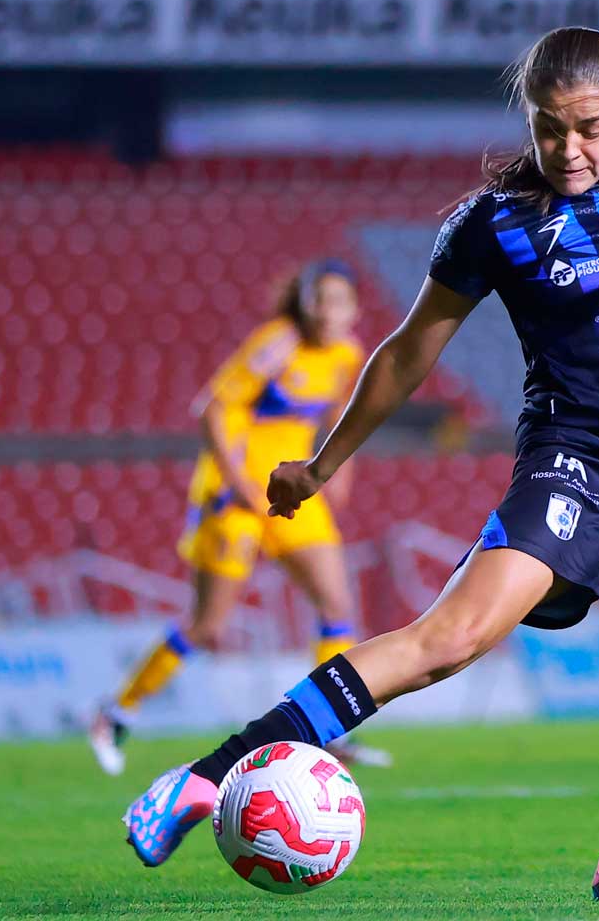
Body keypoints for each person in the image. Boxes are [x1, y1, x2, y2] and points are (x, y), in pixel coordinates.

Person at [121, 27, 599, 904]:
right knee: (446, 643)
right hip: (575, 466)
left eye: (588, 128)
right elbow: (403, 356)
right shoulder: (493, 224)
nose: (569, 149)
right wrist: (317, 464)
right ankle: (203, 778)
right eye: (549, 129)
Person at [91, 260, 389, 774]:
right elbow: (211, 408)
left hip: (292, 494)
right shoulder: (278, 343)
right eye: (320, 299)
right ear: (305, 302)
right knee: (208, 627)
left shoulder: (347, 354)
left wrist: (338, 470)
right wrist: (239, 484)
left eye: (339, 302)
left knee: (336, 604)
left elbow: (344, 413)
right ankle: (116, 713)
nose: (327, 311)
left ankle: (328, 734)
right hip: (237, 498)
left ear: (355, 309)